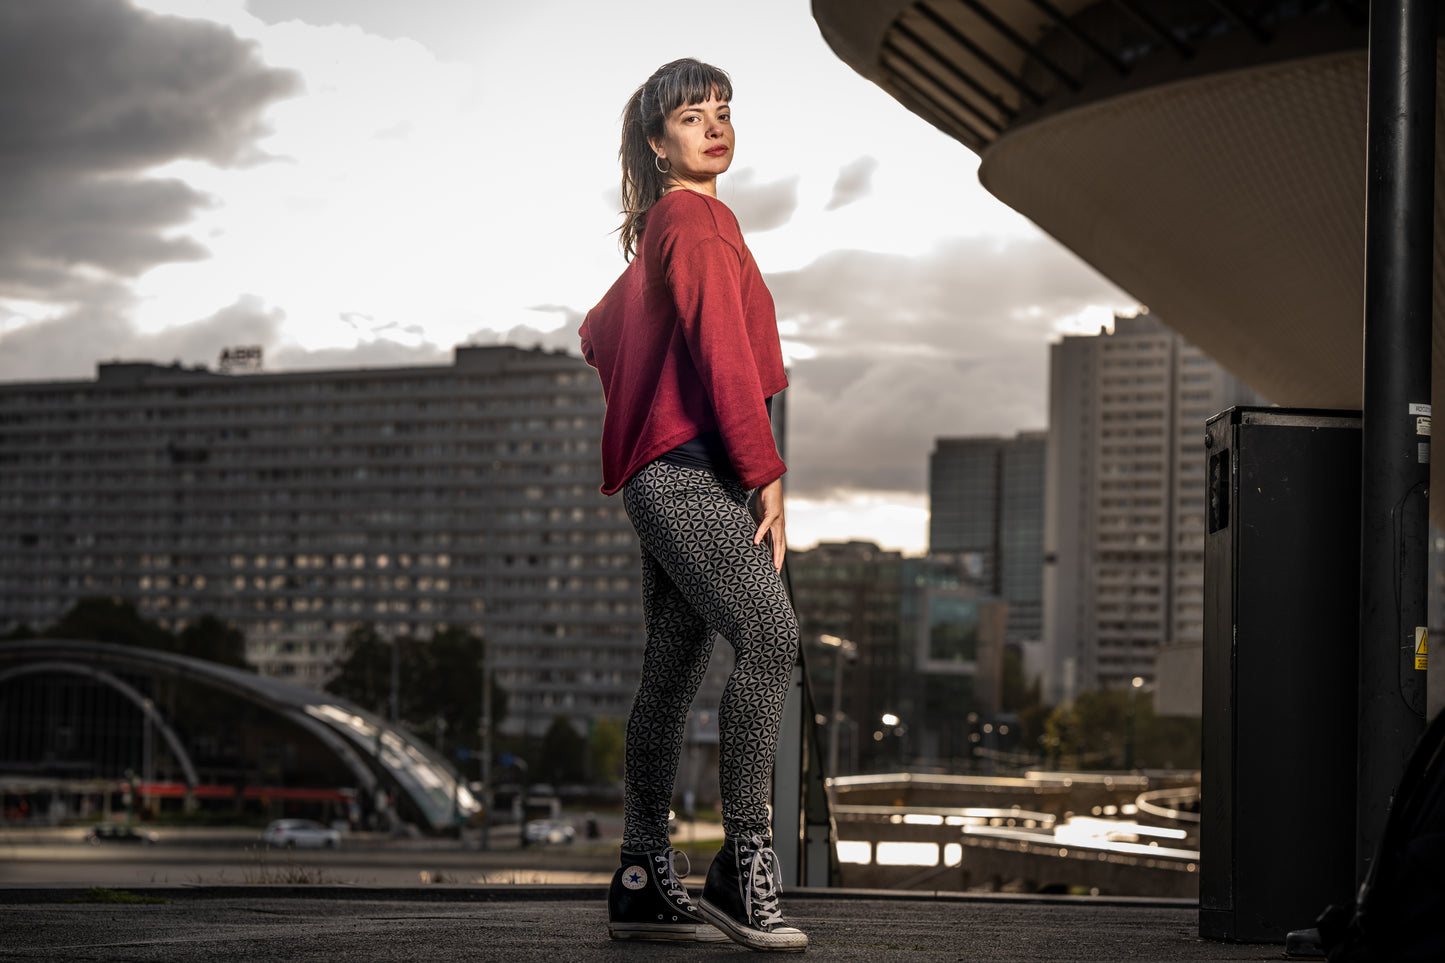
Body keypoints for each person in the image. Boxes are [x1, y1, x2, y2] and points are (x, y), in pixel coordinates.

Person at [578, 58, 807, 953]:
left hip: (664, 474)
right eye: (690, 115)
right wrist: (767, 472)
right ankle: (738, 864)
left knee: (671, 672)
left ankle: (640, 879)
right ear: (655, 139)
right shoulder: (698, 219)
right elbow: (722, 352)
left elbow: (595, 332)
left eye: (723, 111)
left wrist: (645, 392)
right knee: (771, 636)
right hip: (690, 474)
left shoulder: (658, 232)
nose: (715, 126)